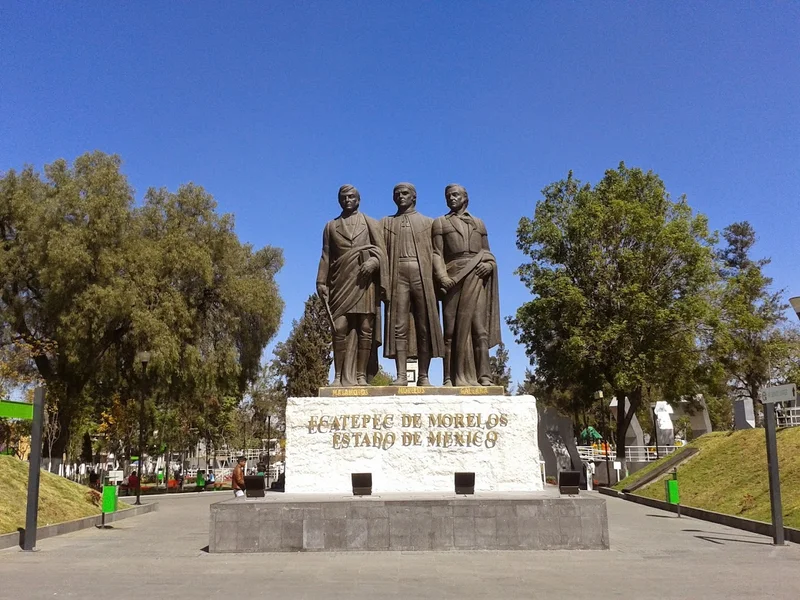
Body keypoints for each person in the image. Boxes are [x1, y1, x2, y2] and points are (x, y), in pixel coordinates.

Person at [317, 184, 388, 386]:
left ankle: (360, 376)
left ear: (358, 199)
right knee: (339, 328)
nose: (347, 200)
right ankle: (338, 377)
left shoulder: (370, 223)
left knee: (366, 327)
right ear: (339, 201)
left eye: (351, 197)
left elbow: (382, 251)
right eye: (343, 197)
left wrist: (374, 262)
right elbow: (325, 256)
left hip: (365, 283)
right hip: (340, 281)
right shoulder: (331, 226)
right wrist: (320, 280)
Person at [432, 184, 501, 386]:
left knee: (480, 330)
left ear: (465, 198)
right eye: (448, 196)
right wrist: (442, 276)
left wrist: (489, 265)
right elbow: (436, 253)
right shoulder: (440, 223)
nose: (451, 198)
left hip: (476, 276)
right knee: (451, 331)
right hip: (453, 277)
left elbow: (487, 252)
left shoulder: (479, 223)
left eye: (455, 195)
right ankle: (449, 377)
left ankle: (484, 376)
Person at [381, 183, 444, 385]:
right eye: (397, 194)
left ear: (414, 197)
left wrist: (441, 278)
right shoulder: (385, 223)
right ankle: (400, 375)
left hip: (422, 275)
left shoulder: (429, 222)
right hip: (397, 275)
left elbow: (438, 253)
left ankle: (424, 376)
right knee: (399, 325)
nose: (401, 196)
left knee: (424, 325)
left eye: (405, 193)